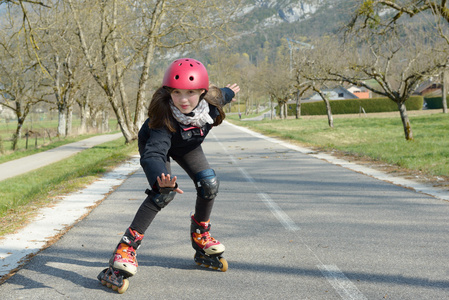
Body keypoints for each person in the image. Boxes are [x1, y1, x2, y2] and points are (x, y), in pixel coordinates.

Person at [109, 58, 240, 277]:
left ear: (202, 92)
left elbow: (223, 94)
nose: (183, 99)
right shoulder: (162, 118)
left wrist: (230, 91)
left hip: (188, 145)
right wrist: (160, 178)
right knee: (164, 193)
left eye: (190, 93)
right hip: (157, 145)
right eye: (176, 93)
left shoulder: (212, 104)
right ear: (169, 91)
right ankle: (126, 248)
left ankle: (200, 232)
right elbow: (154, 153)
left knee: (209, 184)